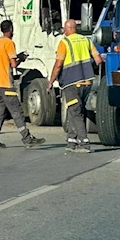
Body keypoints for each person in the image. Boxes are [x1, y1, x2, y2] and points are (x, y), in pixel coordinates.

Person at [0, 20, 46, 149]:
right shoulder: (9, 43)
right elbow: (13, 64)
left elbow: (3, 59)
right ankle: (27, 138)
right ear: (11, 29)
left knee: (0, 112)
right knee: (16, 111)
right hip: (5, 83)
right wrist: (21, 58)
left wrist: (16, 56)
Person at [47, 19, 103, 153]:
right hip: (87, 83)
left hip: (71, 83)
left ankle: (84, 143)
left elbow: (58, 64)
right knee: (77, 110)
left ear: (68, 29)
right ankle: (71, 141)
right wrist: (88, 69)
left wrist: (51, 81)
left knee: (75, 111)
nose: (63, 32)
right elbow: (98, 60)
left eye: (64, 29)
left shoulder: (64, 42)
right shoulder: (86, 40)